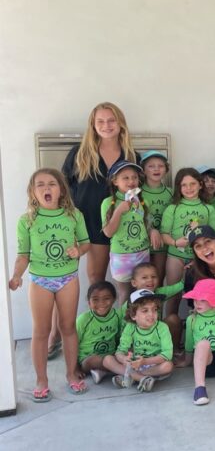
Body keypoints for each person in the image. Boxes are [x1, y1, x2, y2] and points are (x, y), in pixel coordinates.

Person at [8, 168, 91, 400]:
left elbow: (86, 243)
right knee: (41, 330)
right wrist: (17, 275)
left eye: (52, 184)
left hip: (68, 279)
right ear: (33, 192)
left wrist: (78, 251)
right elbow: (23, 254)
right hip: (40, 280)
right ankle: (41, 380)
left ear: (61, 190)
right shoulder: (27, 220)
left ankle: (71, 375)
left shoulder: (74, 215)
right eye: (40, 184)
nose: (47, 188)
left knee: (68, 327)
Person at [61, 102, 137, 285]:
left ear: (120, 123)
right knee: (96, 279)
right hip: (90, 223)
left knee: (130, 280)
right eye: (100, 121)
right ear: (93, 125)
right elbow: (63, 187)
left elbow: (139, 192)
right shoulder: (80, 153)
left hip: (125, 224)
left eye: (111, 120)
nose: (106, 125)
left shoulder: (132, 156)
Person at [160, 167, 215, 349]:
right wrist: (175, 242)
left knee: (202, 298)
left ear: (200, 185)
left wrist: (200, 257)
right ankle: (170, 341)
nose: (189, 188)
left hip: (200, 259)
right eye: (184, 185)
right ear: (178, 187)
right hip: (175, 257)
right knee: (173, 296)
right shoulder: (173, 208)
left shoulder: (208, 209)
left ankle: (197, 341)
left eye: (192, 184)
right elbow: (164, 234)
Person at [101, 160, 155, 304]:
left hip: (142, 254)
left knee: (143, 294)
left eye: (134, 177)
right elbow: (108, 232)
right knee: (125, 295)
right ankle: (125, 320)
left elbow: (148, 224)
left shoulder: (144, 202)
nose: (131, 181)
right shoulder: (107, 203)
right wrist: (119, 211)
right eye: (125, 178)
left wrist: (153, 231)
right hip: (121, 256)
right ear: (115, 181)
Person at [106, 289, 174, 391]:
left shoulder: (162, 327)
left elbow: (167, 354)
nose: (151, 314)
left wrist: (145, 361)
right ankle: (142, 379)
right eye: (145, 310)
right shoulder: (130, 327)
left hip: (153, 364)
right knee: (107, 359)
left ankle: (131, 377)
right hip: (134, 364)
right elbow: (120, 351)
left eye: (154, 309)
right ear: (133, 315)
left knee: (168, 366)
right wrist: (123, 359)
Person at [75, 280, 122, 384]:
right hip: (88, 359)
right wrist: (75, 368)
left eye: (106, 298)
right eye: (95, 299)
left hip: (111, 356)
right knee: (94, 360)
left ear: (114, 299)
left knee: (124, 355)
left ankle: (102, 372)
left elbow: (119, 338)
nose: (101, 303)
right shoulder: (83, 319)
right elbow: (72, 344)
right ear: (89, 302)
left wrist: (121, 354)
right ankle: (126, 373)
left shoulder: (117, 316)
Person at [139, 151, 172, 284]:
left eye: (161, 166)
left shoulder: (171, 192)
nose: (156, 169)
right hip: (141, 244)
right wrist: (150, 229)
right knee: (141, 283)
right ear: (143, 170)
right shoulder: (137, 192)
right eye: (151, 166)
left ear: (166, 169)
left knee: (157, 280)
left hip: (162, 245)